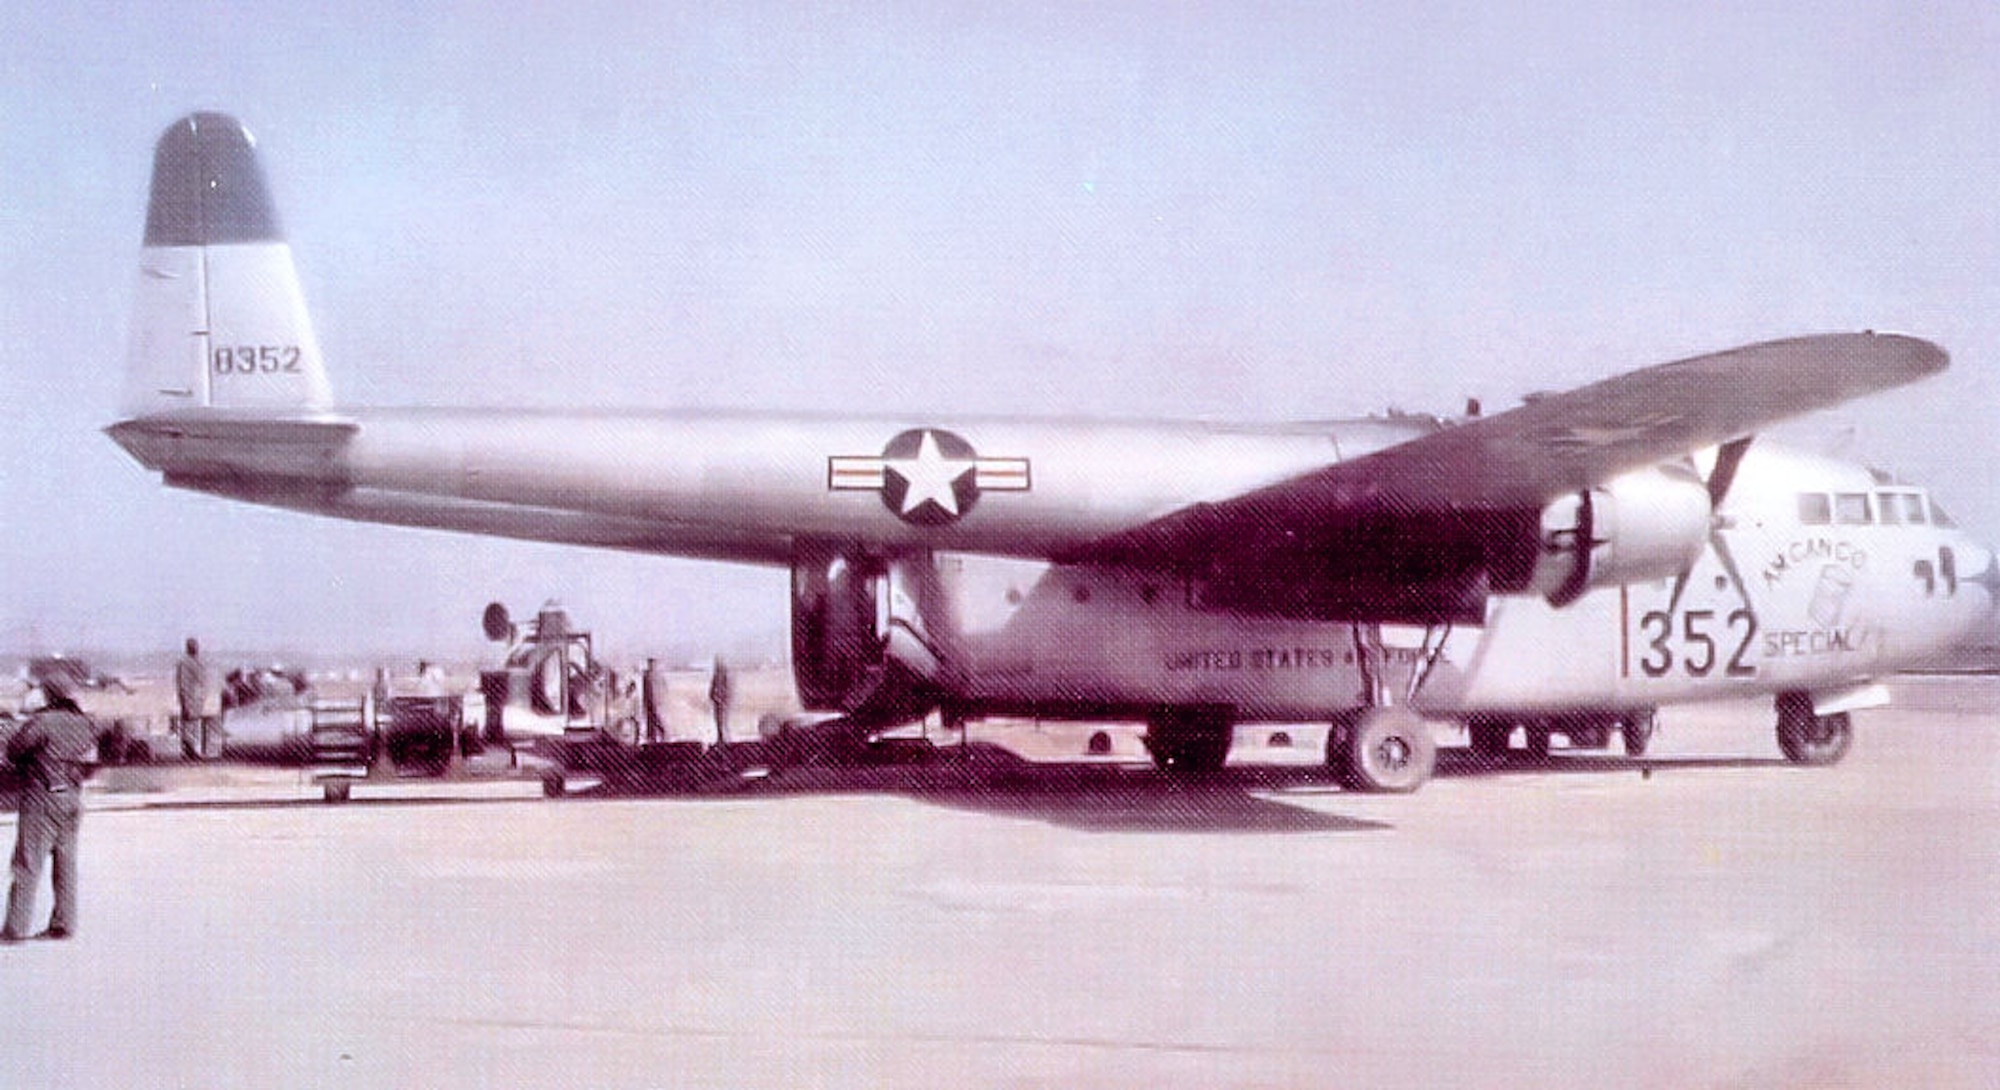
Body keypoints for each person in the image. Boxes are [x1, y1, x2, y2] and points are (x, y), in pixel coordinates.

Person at [4, 671, 110, 942]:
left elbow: (15, 749)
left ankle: (16, 928)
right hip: (73, 797)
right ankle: (63, 924)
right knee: (66, 864)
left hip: (41, 797)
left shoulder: (43, 721)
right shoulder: (85, 723)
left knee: (28, 862)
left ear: (49, 694)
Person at [174, 637, 210, 758]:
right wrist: (184, 699)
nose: (196, 648)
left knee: (194, 724)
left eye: (196, 645)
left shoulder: (198, 662)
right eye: (193, 646)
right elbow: (182, 682)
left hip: (197, 698)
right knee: (188, 724)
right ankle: (188, 750)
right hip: (189, 697)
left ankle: (193, 749)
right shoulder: (184, 662)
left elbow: (202, 679)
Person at [707, 656, 732, 745]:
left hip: (720, 700)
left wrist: (721, 697)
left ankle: (723, 737)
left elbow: (723, 687)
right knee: (719, 720)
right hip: (718, 700)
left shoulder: (721, 673)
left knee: (721, 719)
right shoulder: (718, 673)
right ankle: (721, 737)